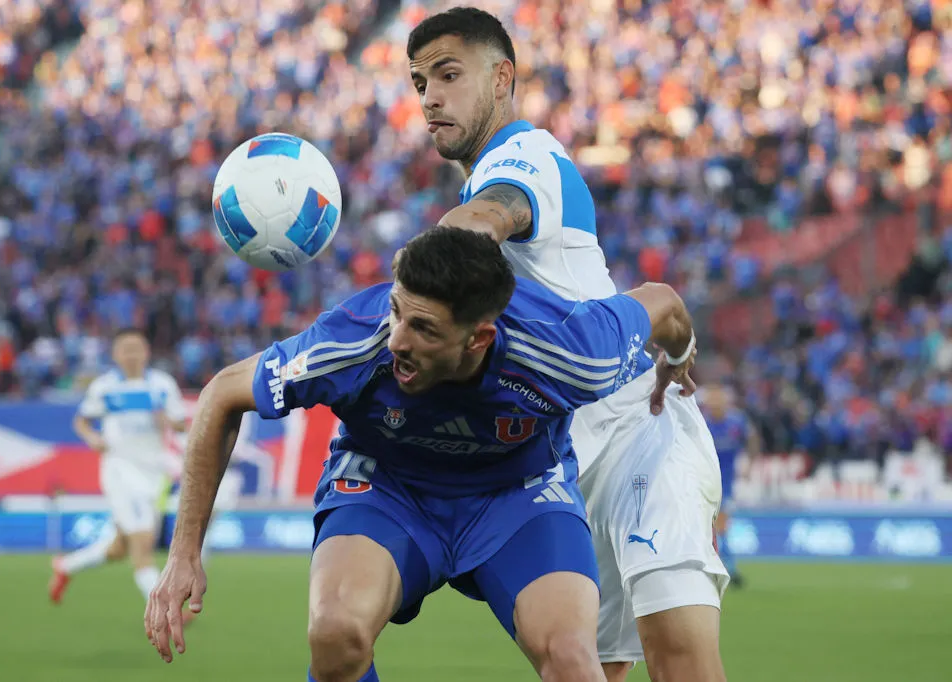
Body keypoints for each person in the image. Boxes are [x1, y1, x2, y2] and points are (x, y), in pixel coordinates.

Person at [144, 227, 697, 682]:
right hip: (387, 488)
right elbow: (222, 394)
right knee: (336, 633)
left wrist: (679, 355)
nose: (396, 341)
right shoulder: (353, 340)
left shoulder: (575, 348)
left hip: (520, 496)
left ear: (479, 339)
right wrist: (184, 553)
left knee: (574, 663)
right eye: (397, 312)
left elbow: (667, 305)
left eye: (424, 328)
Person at [407, 8, 728, 682]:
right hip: (566, 464)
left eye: (447, 74)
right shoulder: (484, 172)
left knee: (682, 665)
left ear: (502, 79)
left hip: (642, 436)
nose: (430, 96)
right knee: (586, 671)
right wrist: (677, 353)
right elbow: (662, 307)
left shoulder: (528, 156)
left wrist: (421, 284)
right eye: (418, 83)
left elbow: (487, 217)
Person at [49, 328, 189, 605]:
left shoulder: (162, 385)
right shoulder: (104, 387)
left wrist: (165, 418)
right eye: (126, 348)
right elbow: (82, 421)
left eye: (137, 348)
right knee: (143, 545)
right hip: (120, 470)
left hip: (153, 472)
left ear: (146, 352)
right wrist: (92, 438)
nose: (132, 354)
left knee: (119, 548)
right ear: (115, 354)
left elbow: (180, 423)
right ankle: (165, 607)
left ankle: (65, 566)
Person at [703, 384, 761, 588]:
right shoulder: (703, 423)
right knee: (715, 527)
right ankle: (725, 567)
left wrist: (749, 465)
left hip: (726, 484)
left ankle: (727, 568)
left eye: (719, 402)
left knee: (721, 525)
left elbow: (753, 439)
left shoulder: (736, 422)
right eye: (712, 402)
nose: (715, 406)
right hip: (704, 481)